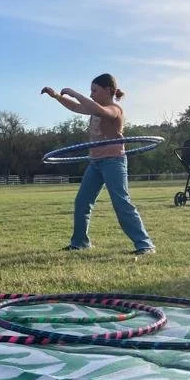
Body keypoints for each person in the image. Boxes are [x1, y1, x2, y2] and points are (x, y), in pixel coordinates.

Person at [41, 74, 155, 255]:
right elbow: (76, 107)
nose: (92, 94)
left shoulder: (114, 109)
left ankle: (145, 245)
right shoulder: (93, 109)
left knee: (121, 202)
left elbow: (102, 112)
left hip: (113, 161)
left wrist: (73, 92)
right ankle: (80, 243)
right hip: (95, 163)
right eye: (90, 91)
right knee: (82, 202)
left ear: (108, 90)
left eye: (94, 90)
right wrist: (57, 96)